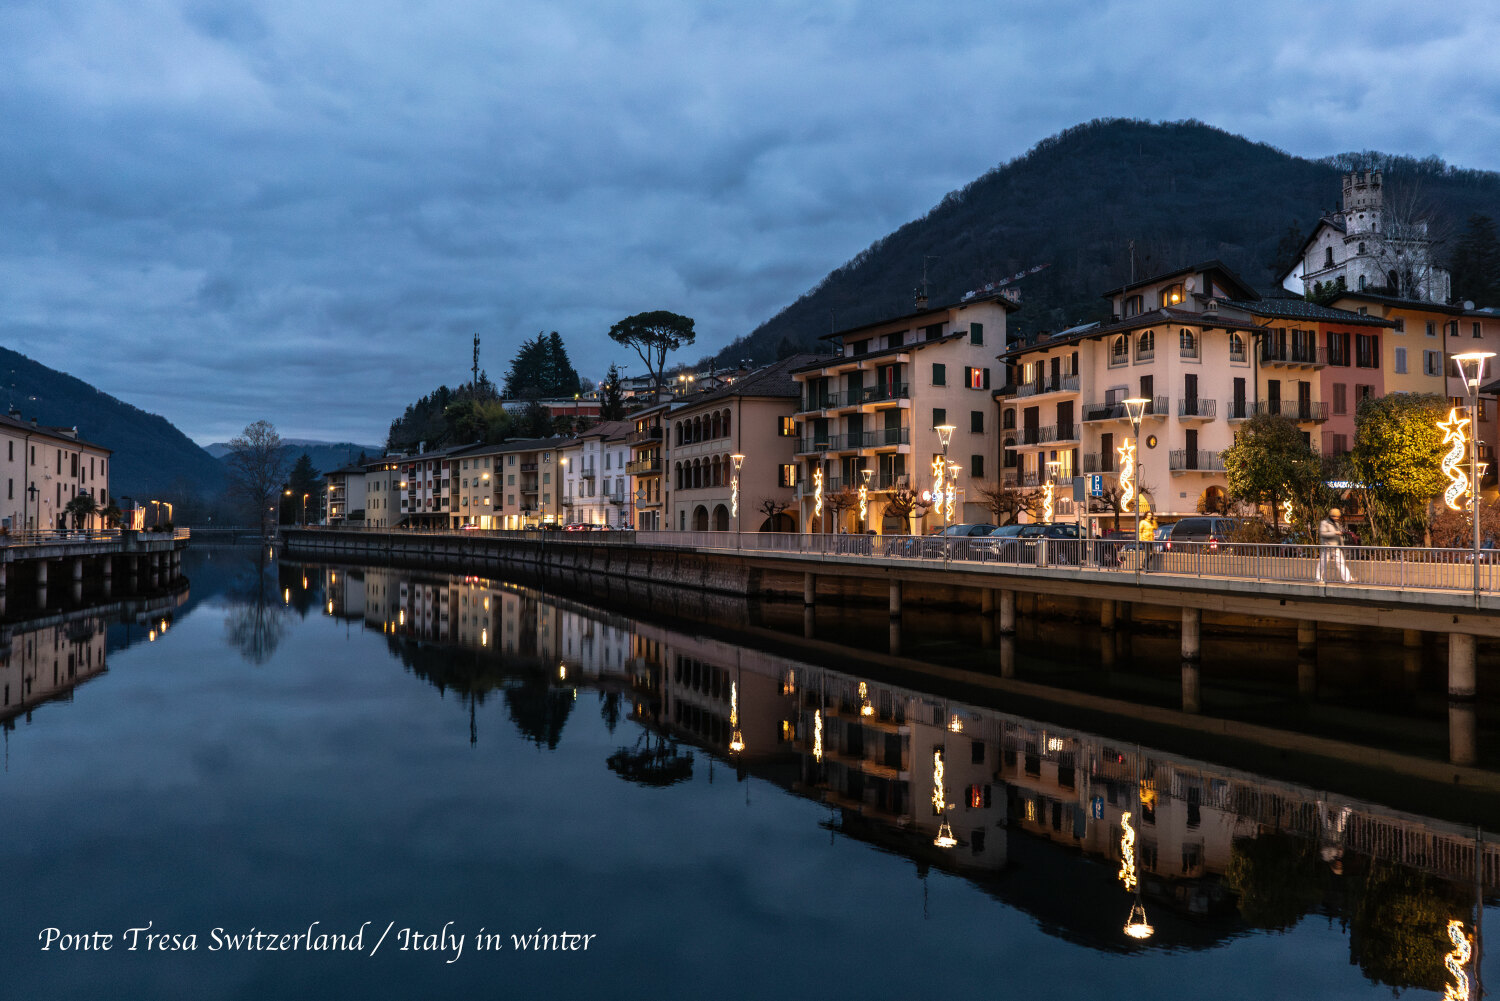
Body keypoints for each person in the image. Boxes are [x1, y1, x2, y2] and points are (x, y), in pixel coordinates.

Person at [1317, 507, 1353, 583]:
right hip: (1327, 547)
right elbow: (1323, 534)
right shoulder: (1324, 523)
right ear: (1331, 516)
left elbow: (1339, 535)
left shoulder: (1337, 524)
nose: (1337, 518)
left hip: (1336, 547)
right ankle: (1318, 578)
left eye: (1338, 517)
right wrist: (1335, 533)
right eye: (1335, 517)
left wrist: (1342, 544)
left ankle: (1347, 579)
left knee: (1341, 563)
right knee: (1323, 563)